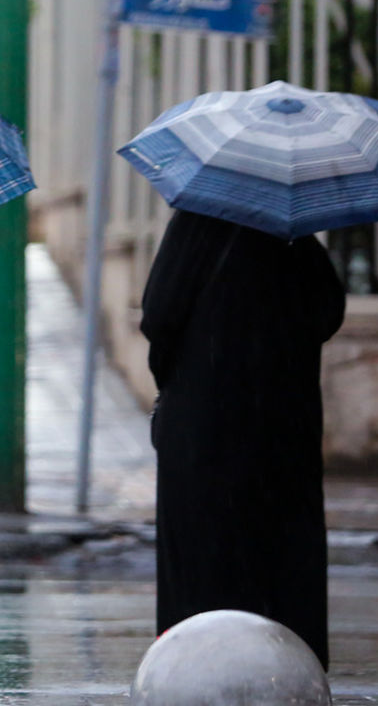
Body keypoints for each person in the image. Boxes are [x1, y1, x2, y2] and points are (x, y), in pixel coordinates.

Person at [139, 208, 346, 670]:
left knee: (202, 561)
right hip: (282, 424)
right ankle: (288, 667)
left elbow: (158, 316)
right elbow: (328, 312)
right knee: (280, 557)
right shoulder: (293, 231)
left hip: (202, 424)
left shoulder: (195, 223)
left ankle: (196, 668)